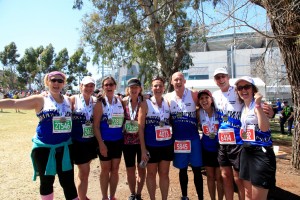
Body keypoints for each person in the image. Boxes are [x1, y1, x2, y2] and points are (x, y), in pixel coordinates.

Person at [0, 71, 78, 200]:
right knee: (46, 182)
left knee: (68, 183)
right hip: (44, 149)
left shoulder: (69, 100)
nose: (56, 83)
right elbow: (14, 103)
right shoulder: (40, 99)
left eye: (60, 81)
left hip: (65, 149)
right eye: (53, 80)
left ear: (64, 83)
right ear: (47, 82)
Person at [212, 67, 274, 200]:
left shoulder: (247, 99)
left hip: (245, 145)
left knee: (239, 180)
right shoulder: (215, 95)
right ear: (215, 81)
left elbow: (265, 123)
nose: (243, 90)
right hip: (234, 144)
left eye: (223, 76)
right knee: (227, 177)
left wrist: (267, 110)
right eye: (218, 77)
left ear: (228, 77)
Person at [235, 76, 276, 200]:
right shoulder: (243, 107)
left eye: (246, 87)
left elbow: (264, 128)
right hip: (247, 151)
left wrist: (258, 105)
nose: (243, 90)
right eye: (240, 88)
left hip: (261, 153)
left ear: (253, 89)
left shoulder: (260, 105)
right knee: (248, 194)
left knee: (258, 197)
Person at [165, 72, 203, 200]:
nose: (178, 82)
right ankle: (184, 196)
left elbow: (205, 104)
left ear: (184, 81)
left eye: (180, 79)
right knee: (182, 169)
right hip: (178, 139)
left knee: (197, 169)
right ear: (171, 82)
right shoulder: (168, 97)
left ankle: (201, 197)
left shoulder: (193, 94)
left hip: (194, 139)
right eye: (175, 80)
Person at [138, 77, 173, 200]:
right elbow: (140, 128)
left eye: (160, 86)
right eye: (155, 86)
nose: (158, 88)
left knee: (164, 174)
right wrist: (143, 150)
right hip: (151, 146)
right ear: (152, 88)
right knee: (151, 174)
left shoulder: (168, 103)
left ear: (164, 87)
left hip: (166, 145)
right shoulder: (145, 103)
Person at [93, 76, 124, 200]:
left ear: (115, 86)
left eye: (111, 84)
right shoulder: (100, 103)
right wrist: (101, 143)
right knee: (105, 170)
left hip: (118, 140)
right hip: (105, 142)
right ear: (103, 87)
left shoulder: (120, 101)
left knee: (115, 170)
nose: (109, 87)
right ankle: (104, 197)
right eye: (106, 85)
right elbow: (95, 126)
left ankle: (112, 196)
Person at [70, 76, 98, 200]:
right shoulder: (73, 99)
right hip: (77, 142)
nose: (89, 88)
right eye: (86, 85)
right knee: (84, 172)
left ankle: (81, 195)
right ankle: (82, 197)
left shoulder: (96, 101)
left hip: (91, 141)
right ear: (81, 86)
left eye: (91, 86)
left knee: (83, 172)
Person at [197, 89, 224, 200]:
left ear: (211, 100)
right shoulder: (199, 113)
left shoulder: (219, 112)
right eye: (201, 99)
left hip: (219, 148)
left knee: (219, 177)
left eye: (206, 98)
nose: (204, 101)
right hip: (206, 149)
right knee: (210, 176)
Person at [122, 78, 146, 200]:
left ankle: (139, 194)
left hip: (141, 142)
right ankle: (132, 193)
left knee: (141, 169)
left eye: (136, 87)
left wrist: (144, 149)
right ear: (128, 89)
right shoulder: (123, 102)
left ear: (140, 89)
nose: (134, 90)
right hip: (127, 142)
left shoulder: (144, 102)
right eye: (131, 88)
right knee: (130, 169)